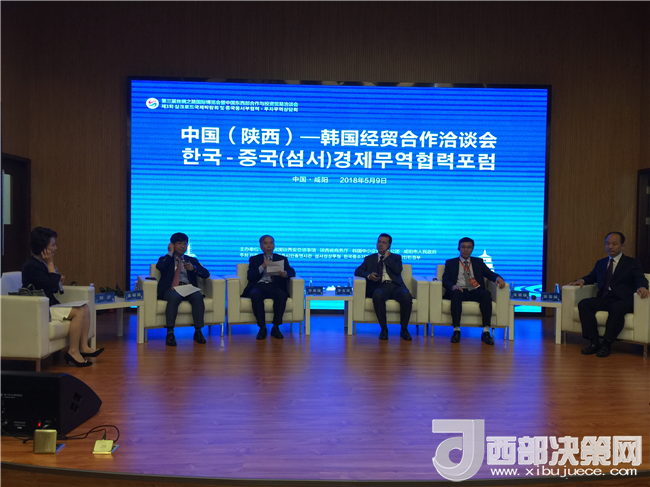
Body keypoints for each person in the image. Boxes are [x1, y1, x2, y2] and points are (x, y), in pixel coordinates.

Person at [22, 227, 103, 367]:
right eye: (53, 245)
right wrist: (50, 264)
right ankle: (73, 352)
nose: (55, 248)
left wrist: (56, 279)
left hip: (50, 304)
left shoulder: (41, 264)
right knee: (78, 312)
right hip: (42, 309)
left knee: (85, 307)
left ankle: (83, 347)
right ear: (43, 247)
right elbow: (51, 287)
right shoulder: (32, 266)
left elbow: (55, 288)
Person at [567, 232, 649, 358]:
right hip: (605, 298)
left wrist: (642, 286)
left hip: (624, 300)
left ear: (622, 245)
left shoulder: (631, 263)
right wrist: (582, 280)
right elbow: (592, 276)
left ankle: (606, 344)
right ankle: (594, 342)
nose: (610, 247)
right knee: (584, 304)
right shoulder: (601, 263)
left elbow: (640, 277)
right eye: (607, 243)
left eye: (614, 244)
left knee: (616, 308)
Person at [442, 237, 506, 345]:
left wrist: (498, 278)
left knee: (486, 294)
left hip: (475, 290)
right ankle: (456, 330)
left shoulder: (478, 262)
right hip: (459, 290)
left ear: (472, 249)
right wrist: (453, 286)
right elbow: (445, 280)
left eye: (469, 247)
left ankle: (486, 331)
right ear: (458, 248)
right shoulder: (451, 263)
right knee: (456, 294)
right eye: (463, 247)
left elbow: (489, 274)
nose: (466, 250)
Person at [354, 233, 413, 341]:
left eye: (384, 243)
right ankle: (384, 329)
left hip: (396, 286)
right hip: (381, 286)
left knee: (407, 296)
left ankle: (404, 329)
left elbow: (397, 270)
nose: (380, 244)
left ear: (389, 246)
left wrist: (386, 258)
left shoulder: (396, 257)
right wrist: (369, 276)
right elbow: (358, 271)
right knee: (377, 296)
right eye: (379, 242)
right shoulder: (369, 259)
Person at [156, 232, 210, 346]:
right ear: (172, 245)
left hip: (187, 288)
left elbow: (206, 274)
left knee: (198, 297)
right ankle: (170, 333)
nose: (182, 246)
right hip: (171, 289)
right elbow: (160, 267)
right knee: (174, 297)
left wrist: (193, 269)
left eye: (185, 244)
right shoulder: (166, 259)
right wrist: (170, 253)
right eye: (179, 243)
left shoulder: (192, 260)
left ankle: (198, 331)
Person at [242, 235, 296, 340]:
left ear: (274, 245)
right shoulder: (254, 259)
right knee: (255, 295)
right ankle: (262, 328)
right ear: (261, 246)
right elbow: (250, 277)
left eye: (271, 243)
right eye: (265, 243)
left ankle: (276, 327)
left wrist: (285, 274)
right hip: (259, 285)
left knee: (282, 295)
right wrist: (263, 266)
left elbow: (292, 272)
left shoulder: (281, 259)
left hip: (274, 285)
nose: (269, 245)